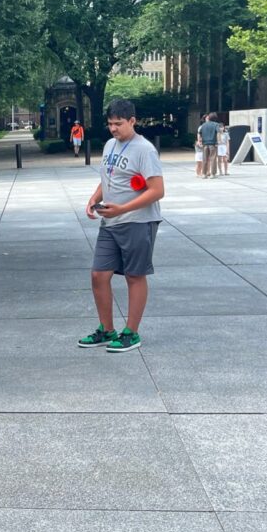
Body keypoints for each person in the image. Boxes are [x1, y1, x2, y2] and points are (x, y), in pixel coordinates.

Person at [79, 100, 165, 353]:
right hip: (110, 221)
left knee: (134, 275)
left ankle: (131, 332)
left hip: (138, 221)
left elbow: (158, 191)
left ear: (132, 121)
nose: (114, 129)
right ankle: (106, 329)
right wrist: (94, 198)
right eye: (110, 124)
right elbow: (109, 177)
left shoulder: (144, 150)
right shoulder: (109, 145)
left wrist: (124, 208)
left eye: (118, 124)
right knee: (98, 275)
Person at [197, 113, 220, 178]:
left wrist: (199, 142)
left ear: (209, 118)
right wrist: (218, 142)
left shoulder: (203, 125)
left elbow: (199, 133)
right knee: (213, 159)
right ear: (215, 119)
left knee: (205, 159)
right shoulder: (216, 125)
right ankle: (213, 174)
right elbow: (218, 133)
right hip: (213, 144)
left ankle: (204, 174)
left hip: (205, 144)